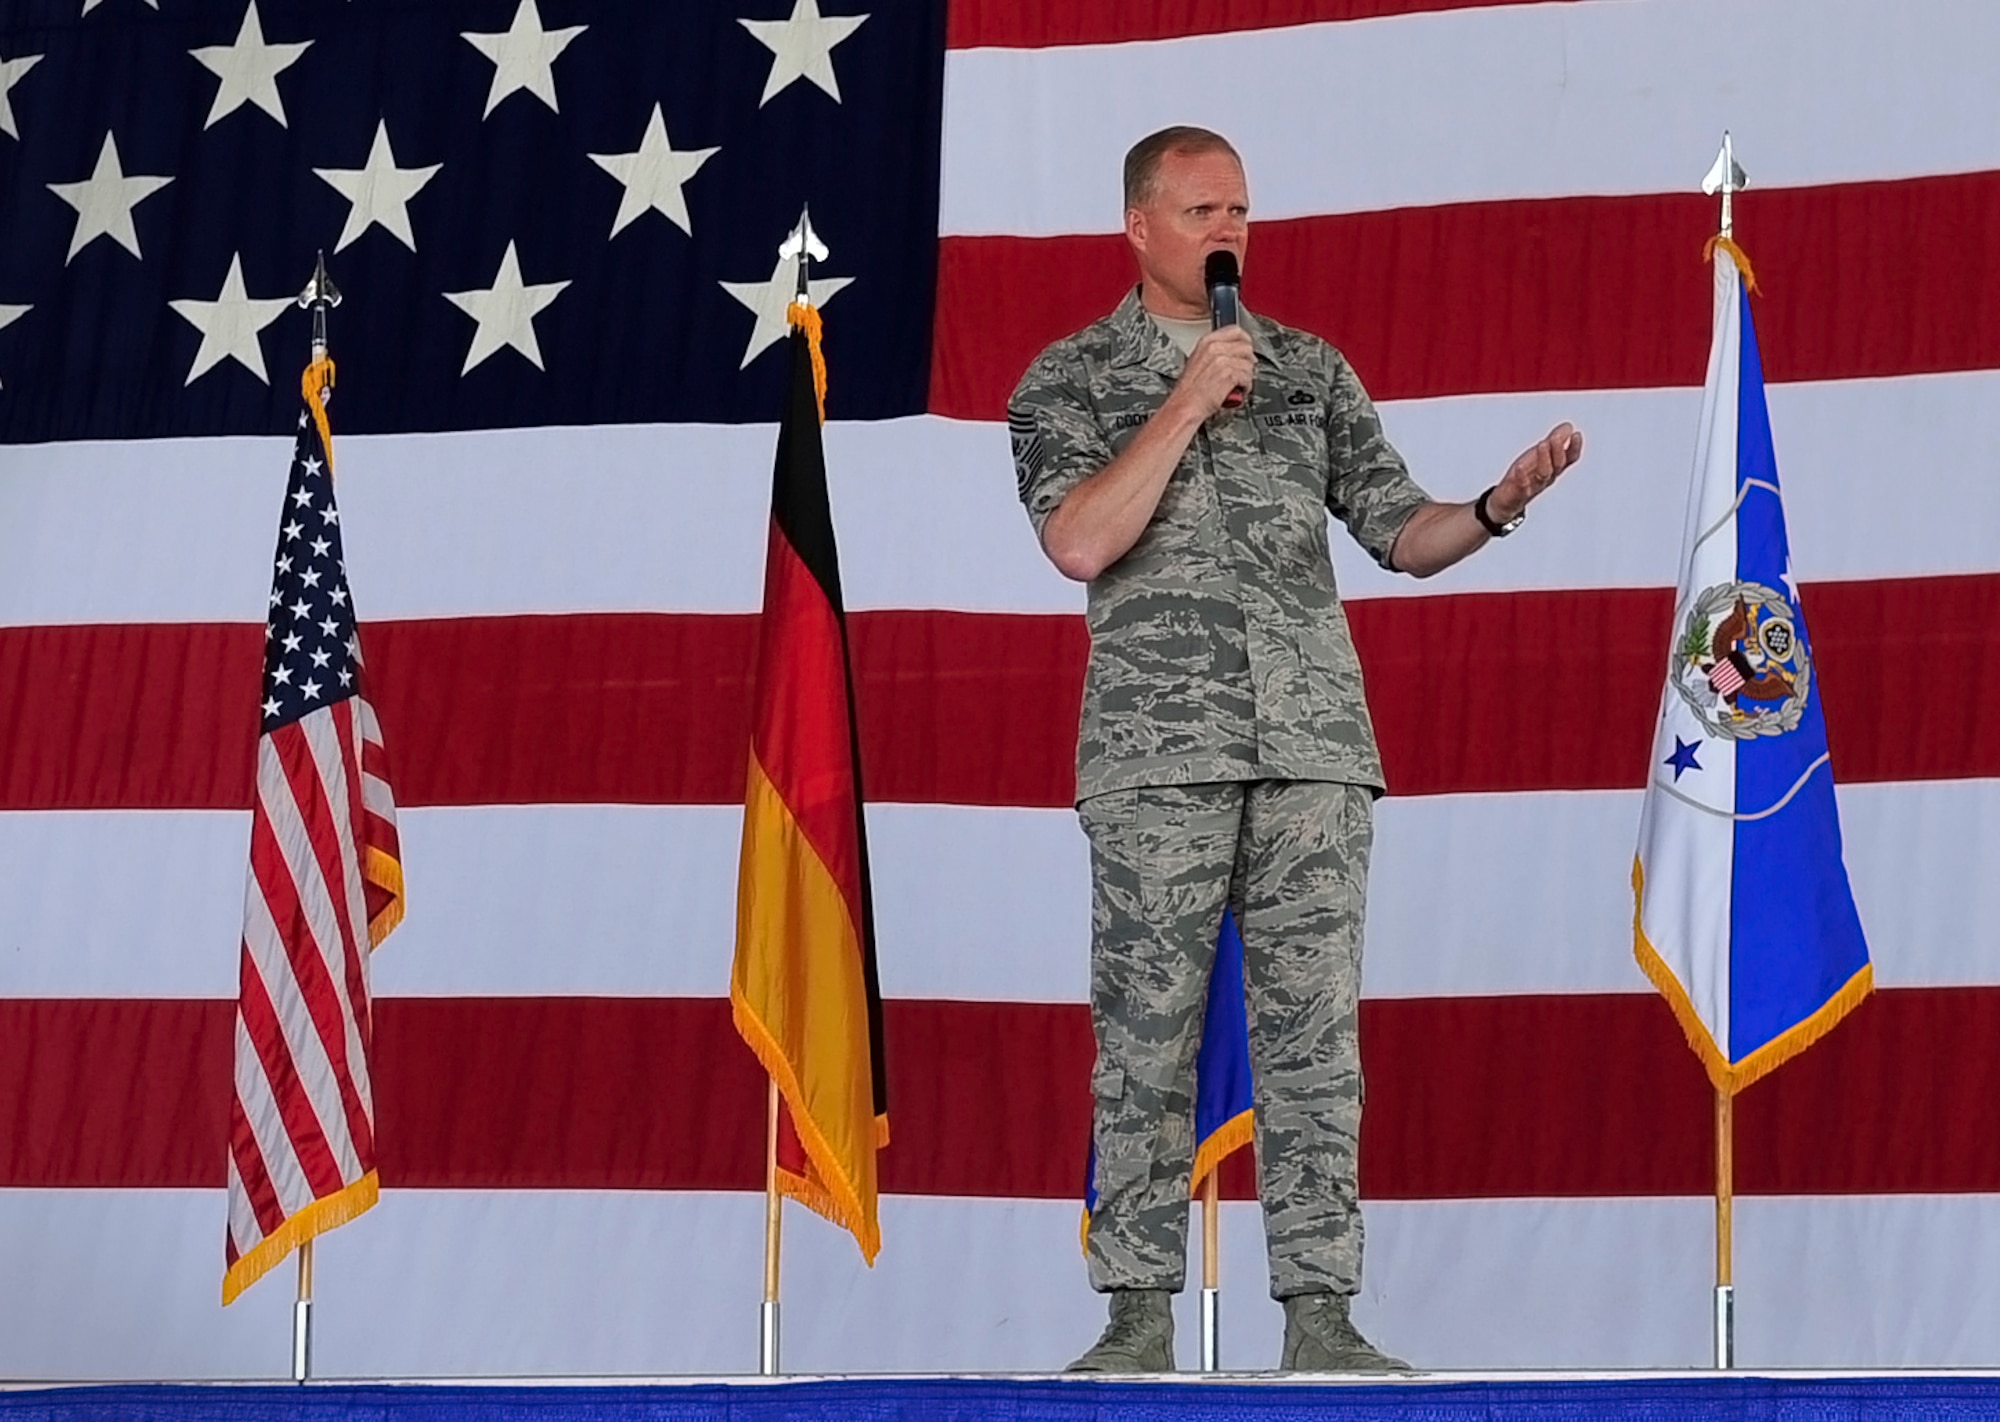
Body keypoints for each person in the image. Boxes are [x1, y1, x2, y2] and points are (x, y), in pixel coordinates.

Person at [1007, 125, 1584, 1373]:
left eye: (1242, 212)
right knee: (1145, 1034)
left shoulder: (1308, 370)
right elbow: (1076, 543)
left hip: (1313, 747)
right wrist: (1182, 399)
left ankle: (1320, 1313)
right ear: (1140, 226)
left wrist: (1492, 506)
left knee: (1315, 1039)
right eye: (1205, 209)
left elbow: (1400, 531)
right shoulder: (1069, 378)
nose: (1230, 232)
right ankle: (1136, 1315)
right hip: (1159, 756)